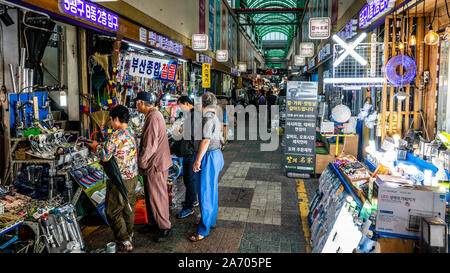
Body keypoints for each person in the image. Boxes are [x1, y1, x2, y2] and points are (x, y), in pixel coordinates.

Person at [86, 105, 138, 252]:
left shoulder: (115, 136)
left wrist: (96, 146)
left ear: (116, 119)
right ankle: (129, 233)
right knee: (128, 207)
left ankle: (124, 240)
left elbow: (104, 156)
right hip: (133, 176)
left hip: (119, 179)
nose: (110, 123)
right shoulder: (131, 132)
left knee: (113, 211)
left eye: (111, 120)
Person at [134, 91, 173, 243]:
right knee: (151, 195)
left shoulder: (153, 117)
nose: (137, 106)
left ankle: (164, 226)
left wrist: (141, 162)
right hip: (155, 163)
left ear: (142, 103)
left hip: (155, 164)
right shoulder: (152, 115)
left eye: (137, 103)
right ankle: (152, 223)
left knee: (158, 196)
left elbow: (150, 145)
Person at [189, 92, 224, 242]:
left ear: (202, 105)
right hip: (214, 155)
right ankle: (210, 220)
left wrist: (197, 160)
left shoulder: (208, 118)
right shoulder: (214, 117)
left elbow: (205, 141)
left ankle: (203, 230)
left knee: (205, 193)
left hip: (208, 157)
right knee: (211, 190)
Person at [176, 96, 199, 219]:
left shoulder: (194, 115)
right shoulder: (192, 114)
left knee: (189, 180)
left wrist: (182, 132)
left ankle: (188, 208)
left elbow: (194, 133)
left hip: (190, 151)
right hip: (190, 150)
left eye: (180, 105)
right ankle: (193, 200)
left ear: (186, 103)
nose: (180, 108)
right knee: (190, 180)